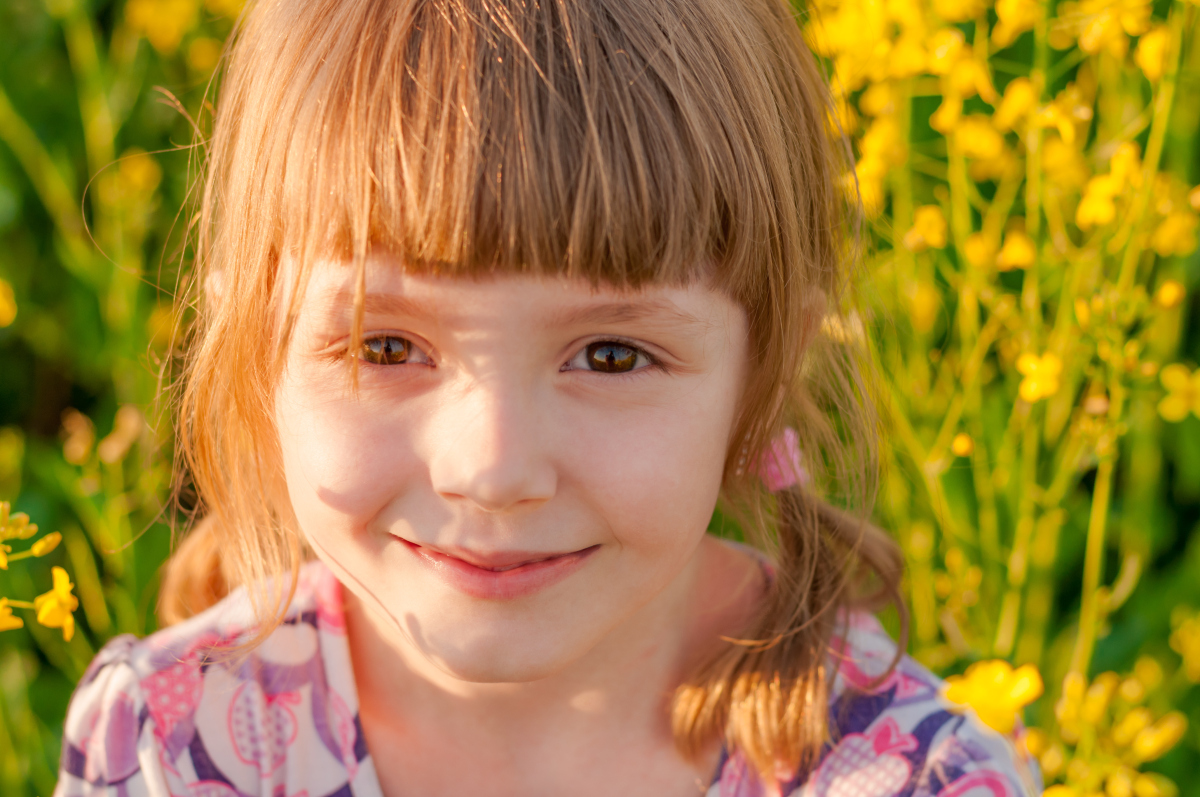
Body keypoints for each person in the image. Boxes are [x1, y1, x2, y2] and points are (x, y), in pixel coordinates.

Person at [54, 0, 1041, 794]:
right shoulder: (168, 741)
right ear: (259, 348)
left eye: (611, 355)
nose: (492, 467)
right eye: (385, 343)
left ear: (766, 369)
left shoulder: (914, 775)